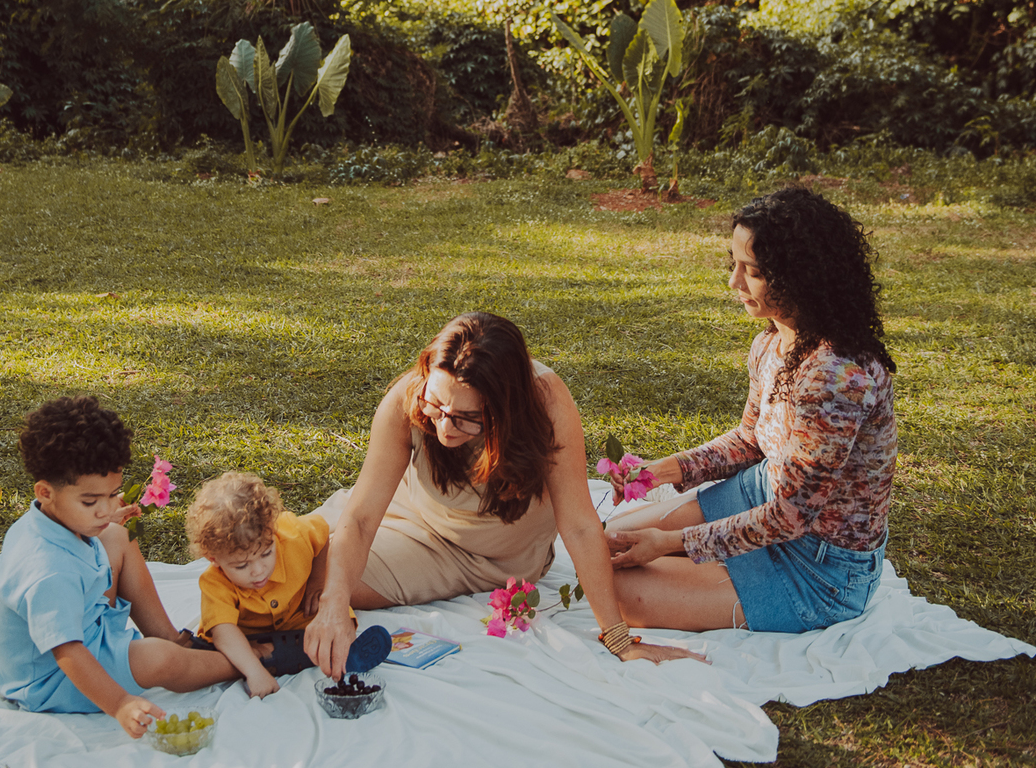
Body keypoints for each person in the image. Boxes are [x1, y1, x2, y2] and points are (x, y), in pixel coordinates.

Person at [303, 311, 703, 678]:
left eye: (467, 418)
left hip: (480, 558)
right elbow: (361, 518)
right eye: (436, 405)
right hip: (407, 510)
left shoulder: (546, 405)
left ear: (505, 410)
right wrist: (335, 607)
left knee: (315, 579)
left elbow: (580, 526)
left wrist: (619, 639)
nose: (444, 428)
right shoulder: (410, 398)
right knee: (293, 559)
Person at [604, 185, 897, 635]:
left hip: (820, 569)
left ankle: (728, 571)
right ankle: (717, 563)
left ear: (801, 277)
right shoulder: (771, 341)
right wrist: (663, 470)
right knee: (610, 543)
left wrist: (670, 543)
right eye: (735, 263)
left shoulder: (836, 378)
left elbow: (792, 516)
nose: (734, 283)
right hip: (763, 494)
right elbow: (750, 440)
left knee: (617, 590)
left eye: (753, 271)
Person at [0, 396, 235, 738]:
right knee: (161, 660)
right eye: (90, 502)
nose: (104, 509)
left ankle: (173, 638)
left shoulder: (48, 520)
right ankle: (246, 659)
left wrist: (100, 519)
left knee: (117, 536)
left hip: (89, 626)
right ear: (45, 492)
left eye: (111, 494)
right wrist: (120, 703)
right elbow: (67, 652)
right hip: (55, 680)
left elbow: (88, 550)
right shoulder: (47, 571)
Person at [185, 470, 390, 697]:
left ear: (273, 531)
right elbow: (224, 633)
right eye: (241, 566)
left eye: (266, 553)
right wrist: (254, 672)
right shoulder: (214, 582)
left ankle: (341, 653)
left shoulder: (294, 534)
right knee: (225, 652)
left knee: (340, 618)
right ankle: (263, 658)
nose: (258, 570)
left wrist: (318, 582)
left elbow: (322, 537)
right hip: (248, 637)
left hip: (297, 617)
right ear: (213, 559)